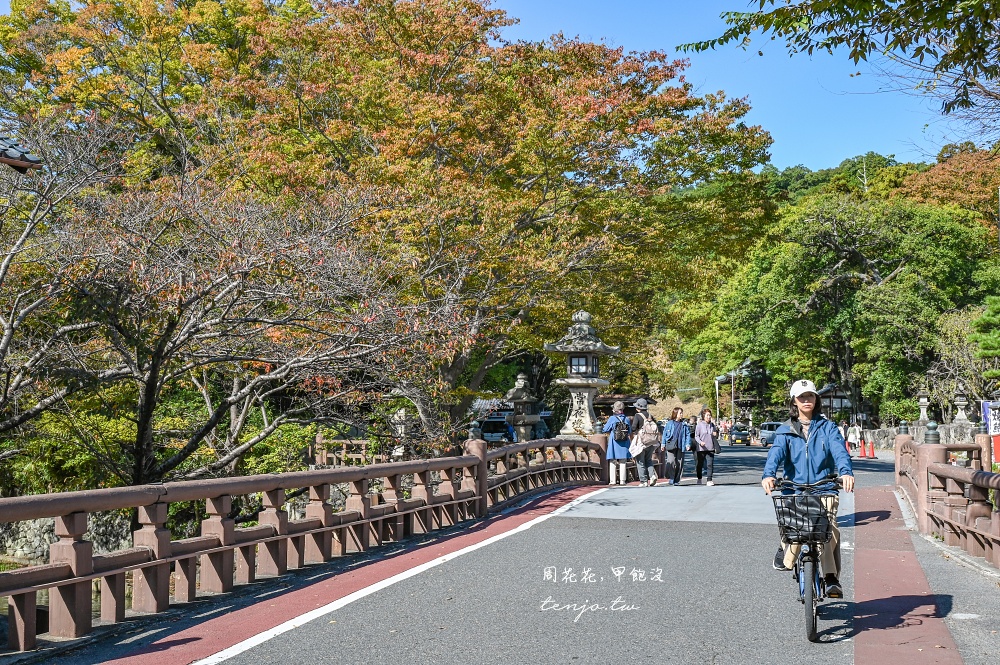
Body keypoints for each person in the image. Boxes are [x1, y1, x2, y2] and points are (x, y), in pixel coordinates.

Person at [761, 379, 855, 599]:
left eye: (810, 396)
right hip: (794, 490)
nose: (806, 400)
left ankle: (831, 578)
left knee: (828, 529)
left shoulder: (828, 427)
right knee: (792, 527)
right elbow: (775, 455)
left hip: (824, 487)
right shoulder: (786, 430)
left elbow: (839, 451)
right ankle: (785, 548)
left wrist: (846, 472)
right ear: (794, 401)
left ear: (816, 399)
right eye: (801, 397)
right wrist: (769, 475)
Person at [631, 398, 659, 487]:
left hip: (642, 442)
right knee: (648, 460)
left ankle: (643, 481)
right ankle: (652, 475)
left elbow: (633, 428)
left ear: (638, 407)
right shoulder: (650, 416)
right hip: (651, 442)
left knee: (640, 461)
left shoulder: (637, 416)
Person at [602, 401, 631, 486]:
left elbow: (605, 429)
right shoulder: (627, 419)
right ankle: (622, 480)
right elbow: (629, 431)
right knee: (623, 461)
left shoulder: (612, 418)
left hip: (614, 441)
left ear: (614, 409)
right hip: (624, 441)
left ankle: (613, 480)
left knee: (613, 461)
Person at [660, 407, 685, 485]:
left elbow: (687, 435)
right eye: (680, 413)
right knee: (671, 461)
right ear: (675, 414)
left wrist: (687, 444)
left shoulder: (684, 424)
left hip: (680, 445)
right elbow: (664, 434)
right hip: (671, 445)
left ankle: (676, 480)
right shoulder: (670, 423)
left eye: (682, 413)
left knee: (679, 463)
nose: (681, 414)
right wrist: (663, 444)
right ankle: (671, 477)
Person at [694, 409, 719, 486]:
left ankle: (709, 479)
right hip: (701, 448)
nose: (709, 417)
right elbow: (696, 436)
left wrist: (716, 434)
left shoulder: (712, 425)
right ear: (703, 416)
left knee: (710, 464)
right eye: (707, 415)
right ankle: (699, 478)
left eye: (710, 415)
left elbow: (716, 435)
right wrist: (700, 442)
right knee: (700, 465)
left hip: (710, 448)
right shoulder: (699, 425)